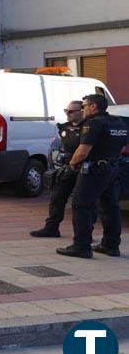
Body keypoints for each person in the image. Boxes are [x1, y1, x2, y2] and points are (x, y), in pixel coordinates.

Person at [56, 94, 127, 258]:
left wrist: (72, 164)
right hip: (113, 168)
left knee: (81, 205)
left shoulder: (94, 123)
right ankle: (111, 245)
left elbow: (83, 150)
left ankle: (81, 246)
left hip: (94, 170)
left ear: (93, 106)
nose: (83, 109)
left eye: (85, 106)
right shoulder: (118, 123)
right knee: (110, 206)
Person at [30, 100, 85, 238]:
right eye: (66, 111)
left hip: (84, 169)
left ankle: (85, 234)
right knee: (57, 198)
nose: (68, 114)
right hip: (67, 168)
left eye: (71, 111)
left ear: (82, 111)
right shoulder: (64, 128)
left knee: (83, 202)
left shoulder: (89, 127)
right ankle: (52, 228)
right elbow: (55, 146)